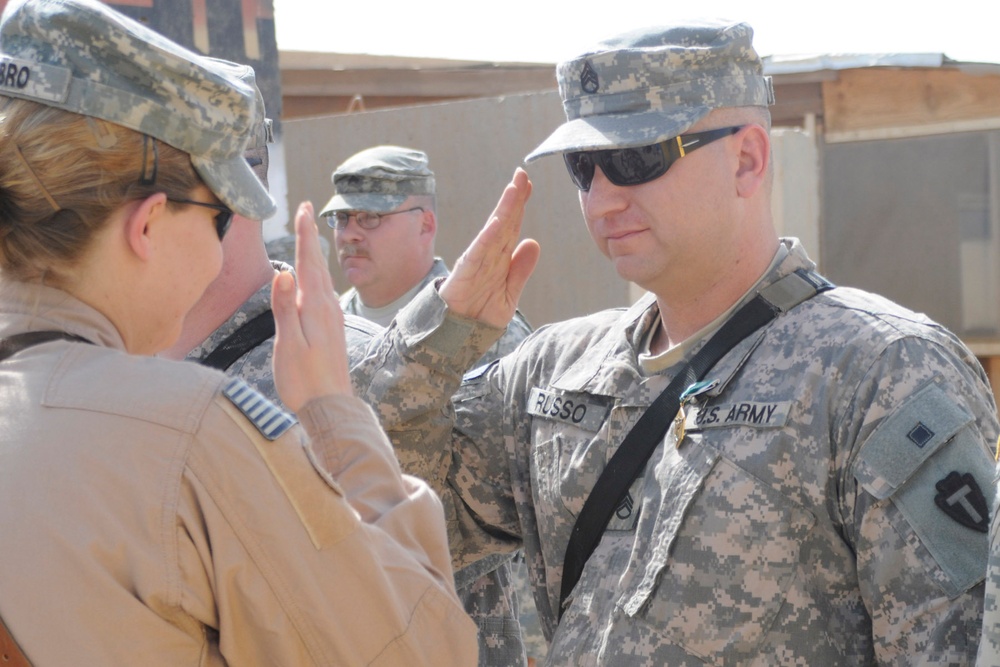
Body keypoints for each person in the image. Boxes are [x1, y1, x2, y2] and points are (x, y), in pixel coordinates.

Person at [344, 21, 999, 665]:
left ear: (746, 158)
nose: (601, 199)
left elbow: (955, 646)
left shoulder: (882, 371)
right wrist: (440, 337)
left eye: (635, 158)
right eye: (584, 166)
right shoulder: (554, 370)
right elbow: (370, 498)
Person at [0, 0, 478, 664]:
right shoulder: (191, 432)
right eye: (219, 216)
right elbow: (421, 652)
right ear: (148, 226)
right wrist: (335, 416)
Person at [321, 145, 538, 666]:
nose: (349, 233)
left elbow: (523, 498)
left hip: (472, 616)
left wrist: (534, 644)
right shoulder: (324, 327)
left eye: (371, 217)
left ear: (426, 225)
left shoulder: (487, 327)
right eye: (341, 217)